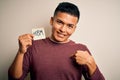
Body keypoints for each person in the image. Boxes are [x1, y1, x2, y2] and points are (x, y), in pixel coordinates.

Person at [8, 2, 105, 80]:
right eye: (59, 22)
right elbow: (14, 78)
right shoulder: (33, 46)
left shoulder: (81, 49)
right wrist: (21, 52)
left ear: (74, 28)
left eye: (69, 26)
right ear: (51, 21)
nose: (63, 29)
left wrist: (90, 62)